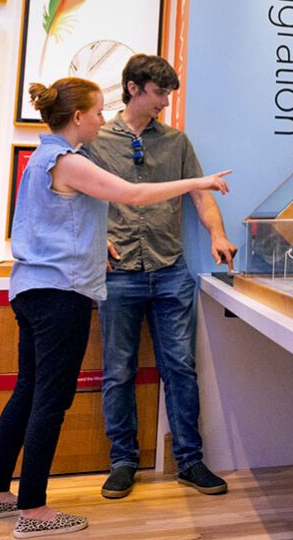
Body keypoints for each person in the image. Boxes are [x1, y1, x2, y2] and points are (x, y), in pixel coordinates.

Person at [0, 77, 229, 539]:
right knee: (50, 402)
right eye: (95, 112)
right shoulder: (68, 160)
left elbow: (55, 220)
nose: (100, 119)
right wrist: (200, 180)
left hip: (32, 290)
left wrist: (99, 242)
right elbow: (131, 195)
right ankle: (33, 509)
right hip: (60, 295)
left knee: (28, 392)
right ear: (77, 118)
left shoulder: (42, 158)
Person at [84, 55, 238, 500]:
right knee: (118, 371)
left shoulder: (176, 142)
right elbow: (76, 197)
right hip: (117, 276)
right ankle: (123, 461)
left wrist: (218, 234)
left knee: (181, 369)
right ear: (133, 88)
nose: (165, 102)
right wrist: (94, 242)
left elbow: (199, 193)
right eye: (159, 93)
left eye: (169, 94)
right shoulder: (97, 140)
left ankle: (189, 461)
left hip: (170, 270)